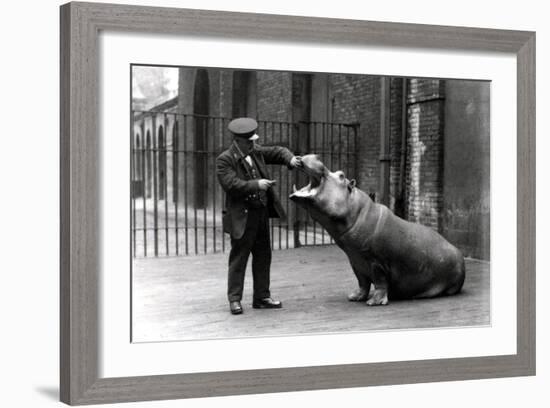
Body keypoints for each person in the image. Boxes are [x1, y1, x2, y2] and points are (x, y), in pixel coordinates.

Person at [216, 117, 302, 315]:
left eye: (253, 141)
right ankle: (235, 300)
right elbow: (231, 185)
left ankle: (262, 297)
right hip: (242, 217)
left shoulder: (254, 151)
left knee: (263, 256)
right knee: (239, 259)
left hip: (260, 214)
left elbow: (278, 151)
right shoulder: (225, 160)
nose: (253, 144)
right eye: (249, 141)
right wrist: (257, 184)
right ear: (238, 141)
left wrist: (290, 159)